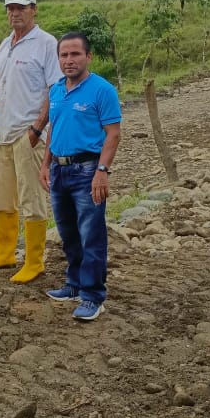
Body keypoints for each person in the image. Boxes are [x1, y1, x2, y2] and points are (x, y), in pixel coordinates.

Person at [0, 0, 60, 283]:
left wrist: (38, 128)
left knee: (32, 198)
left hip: (28, 134)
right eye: (10, 8)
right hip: (1, 133)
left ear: (34, 9)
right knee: (2, 197)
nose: (15, 13)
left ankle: (34, 261)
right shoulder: (6, 44)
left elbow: (55, 89)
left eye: (21, 7)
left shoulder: (46, 43)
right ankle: (5, 254)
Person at [39, 31, 121, 322]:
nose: (69, 60)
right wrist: (45, 164)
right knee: (68, 233)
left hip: (87, 170)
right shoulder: (56, 91)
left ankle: (93, 296)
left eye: (75, 54)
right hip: (59, 170)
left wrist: (102, 172)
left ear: (88, 57)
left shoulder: (102, 90)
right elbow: (53, 129)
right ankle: (73, 284)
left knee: (91, 234)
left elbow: (113, 134)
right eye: (64, 55)